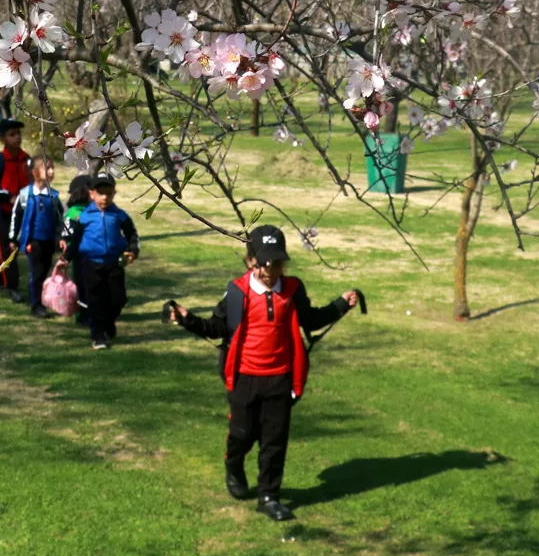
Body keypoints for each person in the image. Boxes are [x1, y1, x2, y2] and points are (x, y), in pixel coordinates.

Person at [167, 225, 362, 523]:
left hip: (281, 377)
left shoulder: (293, 289)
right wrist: (187, 319)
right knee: (243, 434)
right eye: (265, 263)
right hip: (244, 377)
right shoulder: (237, 292)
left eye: (278, 263)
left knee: (274, 439)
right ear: (250, 261)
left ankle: (268, 496)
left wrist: (340, 305)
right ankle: (233, 465)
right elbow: (216, 328)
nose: (272, 270)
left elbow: (311, 320)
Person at [62, 173, 138, 350]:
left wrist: (133, 250)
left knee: (118, 299)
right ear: (92, 194)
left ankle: (108, 323)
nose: (104, 197)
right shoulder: (85, 217)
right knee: (95, 300)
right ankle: (98, 336)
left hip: (114, 264)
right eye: (100, 193)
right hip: (91, 265)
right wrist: (66, 258)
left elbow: (132, 234)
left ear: (114, 194)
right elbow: (76, 240)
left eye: (109, 193)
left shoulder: (119, 215)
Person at [0, 118, 30, 303]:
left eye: (18, 134)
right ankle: (12, 287)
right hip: (2, 211)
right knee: (6, 249)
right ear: (3, 139)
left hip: (22, 212)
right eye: (12, 135)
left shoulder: (27, 159)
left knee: (15, 247)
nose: (17, 138)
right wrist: (7, 196)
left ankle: (0, 278)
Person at [8, 155, 63, 317]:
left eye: (53, 168)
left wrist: (62, 237)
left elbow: (61, 219)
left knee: (45, 271)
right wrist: (13, 238)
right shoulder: (25, 195)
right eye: (47, 168)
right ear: (35, 172)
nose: (52, 171)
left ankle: (42, 299)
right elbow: (16, 216)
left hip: (49, 241)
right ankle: (37, 305)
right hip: (34, 241)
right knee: (37, 272)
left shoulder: (54, 196)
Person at [62, 174, 93, 323]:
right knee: (81, 285)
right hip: (79, 256)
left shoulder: (90, 210)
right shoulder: (74, 213)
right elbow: (67, 235)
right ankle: (82, 315)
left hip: (91, 254)